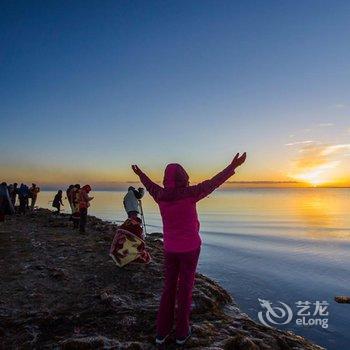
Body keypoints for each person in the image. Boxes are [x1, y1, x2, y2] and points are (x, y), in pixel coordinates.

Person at [131, 152, 247, 346]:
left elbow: (149, 185)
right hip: (190, 249)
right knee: (185, 289)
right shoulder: (190, 193)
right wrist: (232, 165)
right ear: (183, 177)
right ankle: (182, 333)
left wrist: (140, 174)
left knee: (168, 288)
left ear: (167, 179)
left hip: (169, 249)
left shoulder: (160, 195)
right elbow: (214, 182)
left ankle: (161, 332)